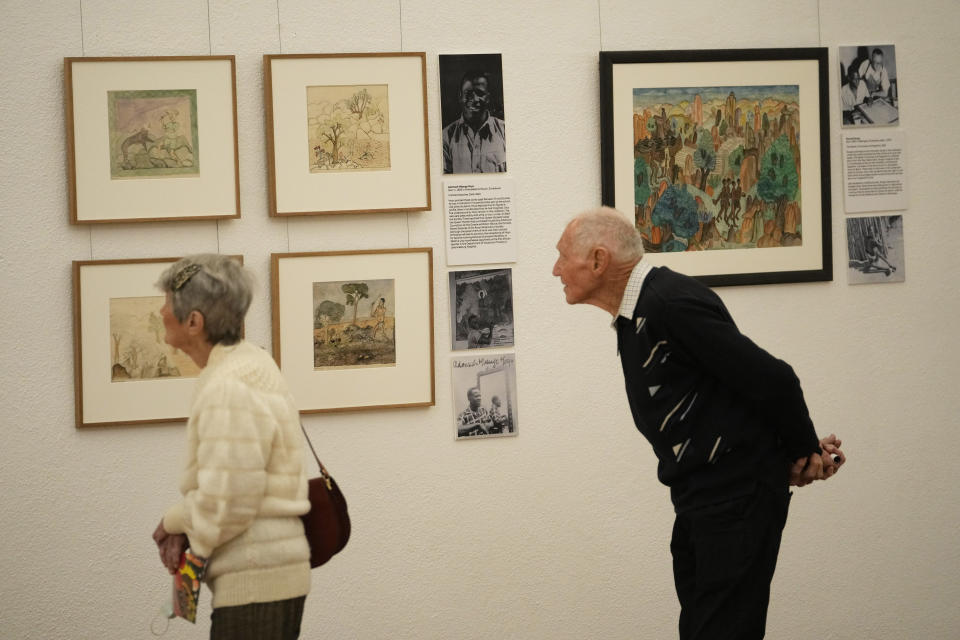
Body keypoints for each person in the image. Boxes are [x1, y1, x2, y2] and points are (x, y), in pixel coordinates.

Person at [552, 207, 846, 639]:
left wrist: (803, 453)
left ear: (598, 261)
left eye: (563, 257)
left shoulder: (669, 303)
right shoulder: (637, 317)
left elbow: (773, 379)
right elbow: (720, 401)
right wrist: (787, 451)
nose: (555, 269)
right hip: (700, 502)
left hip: (734, 504)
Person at [151, 255, 312, 639]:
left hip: (257, 579)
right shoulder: (246, 365)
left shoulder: (229, 383)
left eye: (168, 302)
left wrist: (173, 522)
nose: (160, 311)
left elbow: (230, 499)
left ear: (194, 321)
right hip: (263, 577)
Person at [442, 70, 506, 174]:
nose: (475, 99)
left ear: (488, 98)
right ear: (460, 96)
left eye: (480, 93)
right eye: (468, 93)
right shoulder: (445, 138)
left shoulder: (505, 131)